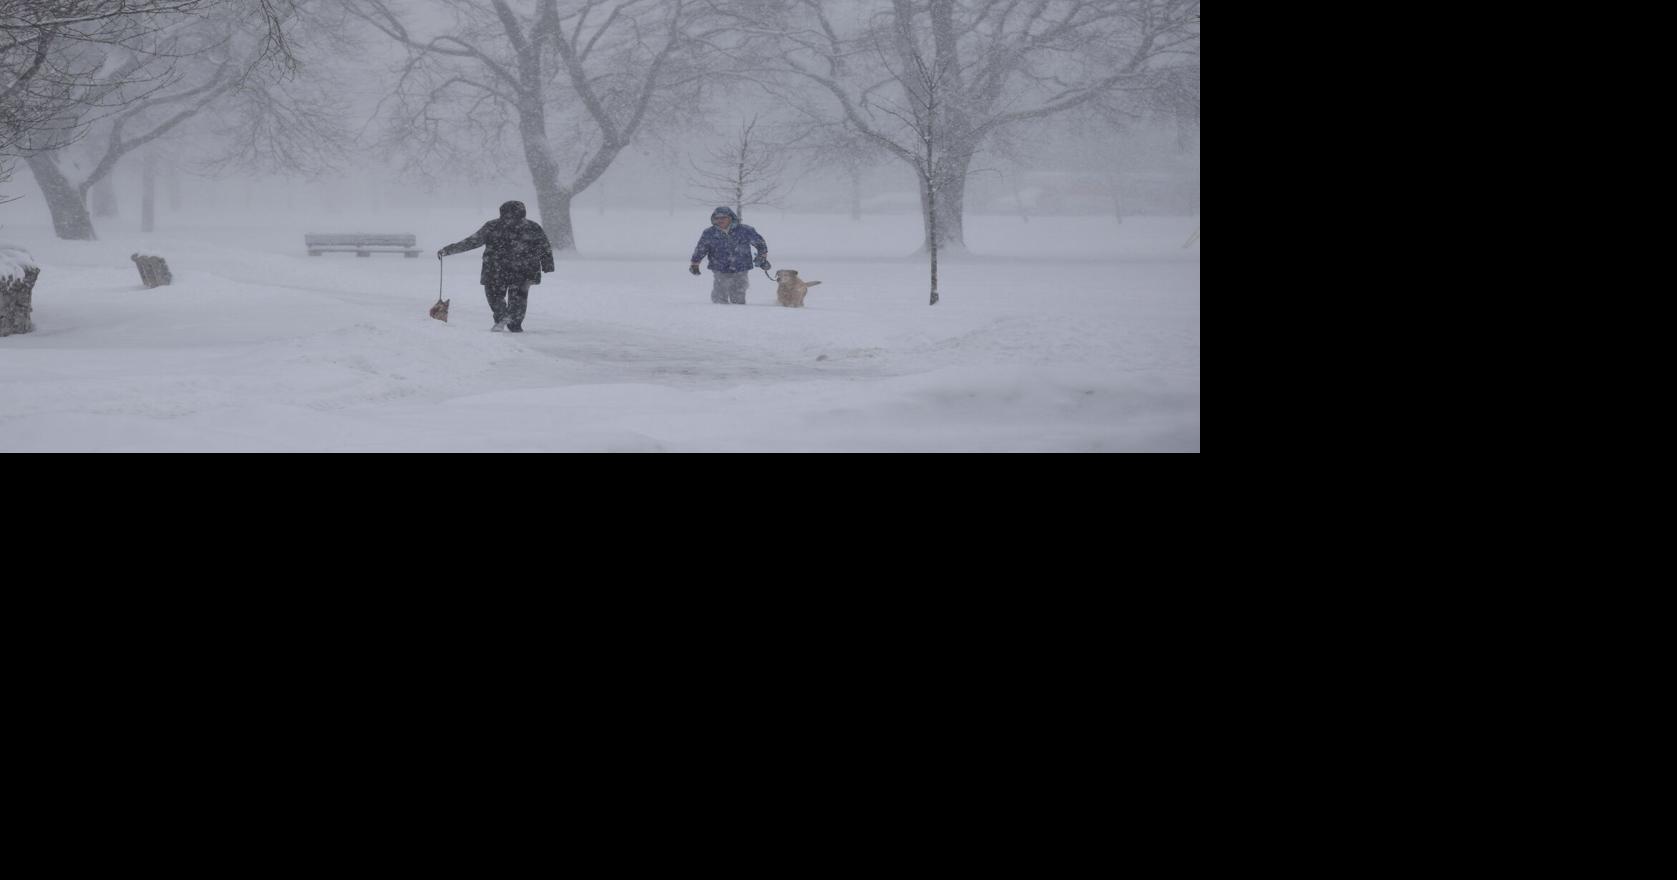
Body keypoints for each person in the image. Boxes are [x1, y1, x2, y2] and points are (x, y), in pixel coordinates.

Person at [438, 200, 555, 332]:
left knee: (494, 295)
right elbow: (544, 247)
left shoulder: (493, 226)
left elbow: (473, 241)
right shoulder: (533, 227)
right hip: (524, 268)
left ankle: (501, 316)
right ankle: (515, 323)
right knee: (519, 296)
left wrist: (449, 250)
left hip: (496, 268)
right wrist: (547, 264)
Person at [689, 206, 769, 305]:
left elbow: (760, 244)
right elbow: (701, 248)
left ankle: (738, 316)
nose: (720, 220)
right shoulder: (709, 233)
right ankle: (719, 317)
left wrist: (762, 257)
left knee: (738, 295)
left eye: (723, 217)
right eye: (717, 218)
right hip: (719, 266)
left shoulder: (745, 230)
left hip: (741, 267)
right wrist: (695, 263)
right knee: (719, 296)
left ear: (730, 217)